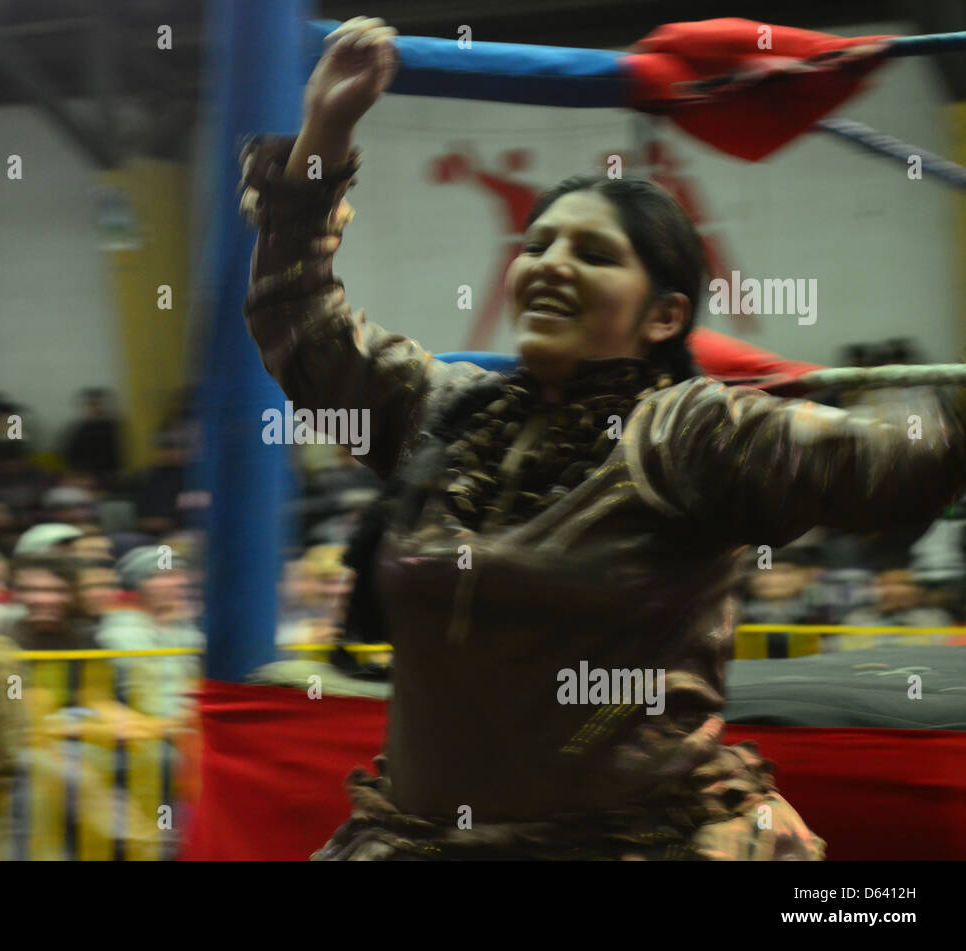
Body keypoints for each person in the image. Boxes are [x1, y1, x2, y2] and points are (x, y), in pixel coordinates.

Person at [237, 17, 966, 860]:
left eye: (593, 252)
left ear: (665, 315)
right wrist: (327, 129)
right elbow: (298, 321)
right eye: (538, 243)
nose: (550, 262)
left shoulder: (693, 430)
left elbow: (903, 458)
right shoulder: (441, 406)